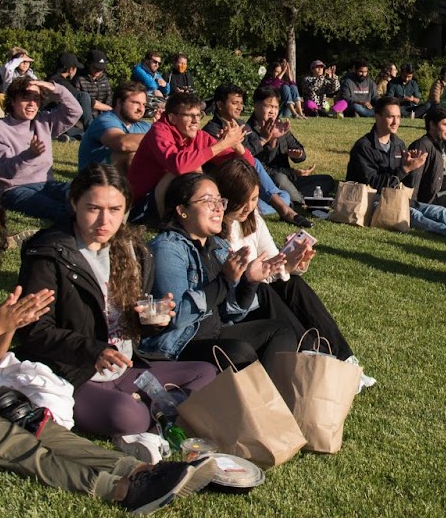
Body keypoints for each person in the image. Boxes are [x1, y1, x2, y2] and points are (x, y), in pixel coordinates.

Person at [0, 187, 218, 514]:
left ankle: (137, 470)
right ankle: (122, 490)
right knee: (18, 444)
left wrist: (11, 323)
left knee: (47, 430)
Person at [13, 165, 217, 462]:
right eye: (93, 208)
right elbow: (33, 331)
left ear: (126, 208)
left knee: (206, 373)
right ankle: (156, 416)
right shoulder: (50, 254)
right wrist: (93, 349)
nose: (104, 220)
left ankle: (153, 415)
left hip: (126, 367)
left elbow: (131, 326)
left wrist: (153, 321)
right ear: (74, 204)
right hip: (77, 374)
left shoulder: (133, 250)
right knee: (127, 415)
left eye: (115, 209)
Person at [208, 157, 364, 378]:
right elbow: (239, 287)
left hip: (259, 290)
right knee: (264, 291)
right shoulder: (216, 229)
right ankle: (314, 359)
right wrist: (255, 276)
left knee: (293, 284)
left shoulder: (253, 220)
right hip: (241, 303)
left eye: (253, 199)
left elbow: (273, 265)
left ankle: (345, 358)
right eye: (241, 201)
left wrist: (290, 263)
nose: (248, 207)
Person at [145, 171, 301, 366]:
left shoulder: (218, 246)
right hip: (179, 344)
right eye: (208, 201)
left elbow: (230, 312)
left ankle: (275, 395)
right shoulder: (168, 249)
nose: (218, 208)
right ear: (182, 210)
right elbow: (179, 317)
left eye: (220, 201)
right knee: (239, 352)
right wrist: (224, 280)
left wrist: (249, 282)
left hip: (214, 332)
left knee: (281, 331)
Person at [345, 98, 446, 239]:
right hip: (369, 199)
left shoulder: (398, 144)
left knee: (437, 210)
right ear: (377, 117)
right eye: (390, 117)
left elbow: (404, 181)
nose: (396, 122)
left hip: (394, 196)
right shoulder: (364, 147)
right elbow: (373, 184)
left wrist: (412, 167)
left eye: (398, 117)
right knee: (412, 213)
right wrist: (405, 169)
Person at [203, 84, 312, 227]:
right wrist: (264, 140)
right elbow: (246, 157)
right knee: (258, 166)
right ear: (220, 105)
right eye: (234, 103)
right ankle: (283, 210)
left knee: (284, 196)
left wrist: (273, 141)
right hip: (230, 181)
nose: (239, 107)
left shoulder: (242, 125)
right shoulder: (212, 130)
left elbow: (261, 152)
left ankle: (257, 209)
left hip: (254, 180)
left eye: (241, 103)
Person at [126, 90, 248, 212]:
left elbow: (244, 166)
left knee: (232, 169)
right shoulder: (159, 132)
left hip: (174, 197)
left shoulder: (199, 136)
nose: (196, 121)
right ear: (172, 118)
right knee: (191, 168)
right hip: (143, 203)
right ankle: (170, 221)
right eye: (190, 116)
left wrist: (238, 147)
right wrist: (223, 144)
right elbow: (178, 165)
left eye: (198, 115)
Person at [0, 75, 82, 220]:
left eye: (36, 98)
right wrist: (29, 155)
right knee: (58, 210)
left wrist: (56, 89)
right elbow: (3, 171)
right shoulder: (0, 130)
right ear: (12, 100)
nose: (32, 103)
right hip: (15, 189)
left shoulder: (43, 121)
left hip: (47, 184)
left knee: (84, 194)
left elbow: (75, 111)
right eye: (25, 97)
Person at [244, 86, 313, 206]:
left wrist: (298, 154)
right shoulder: (248, 131)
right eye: (269, 106)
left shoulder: (280, 126)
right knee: (279, 178)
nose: (273, 111)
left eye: (276, 107)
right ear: (256, 105)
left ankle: (294, 195)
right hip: (270, 181)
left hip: (289, 177)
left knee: (326, 180)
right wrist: (272, 140)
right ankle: (299, 201)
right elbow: (263, 169)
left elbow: (301, 153)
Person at [78, 83, 152, 174]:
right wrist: (158, 137)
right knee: (130, 154)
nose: (141, 109)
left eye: (144, 104)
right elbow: (122, 143)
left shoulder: (144, 126)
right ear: (119, 102)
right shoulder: (104, 121)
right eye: (135, 103)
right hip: (93, 180)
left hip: (126, 180)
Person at [0, 47, 32, 118]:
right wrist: (9, 83)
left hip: (16, 101)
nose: (25, 63)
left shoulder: (30, 74)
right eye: (22, 60)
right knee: (0, 97)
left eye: (27, 60)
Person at [74, 49, 114, 123]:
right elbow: (79, 101)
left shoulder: (105, 80)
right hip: (83, 120)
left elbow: (109, 98)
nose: (98, 71)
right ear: (89, 64)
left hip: (103, 118)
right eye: (96, 68)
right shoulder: (80, 79)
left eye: (101, 69)